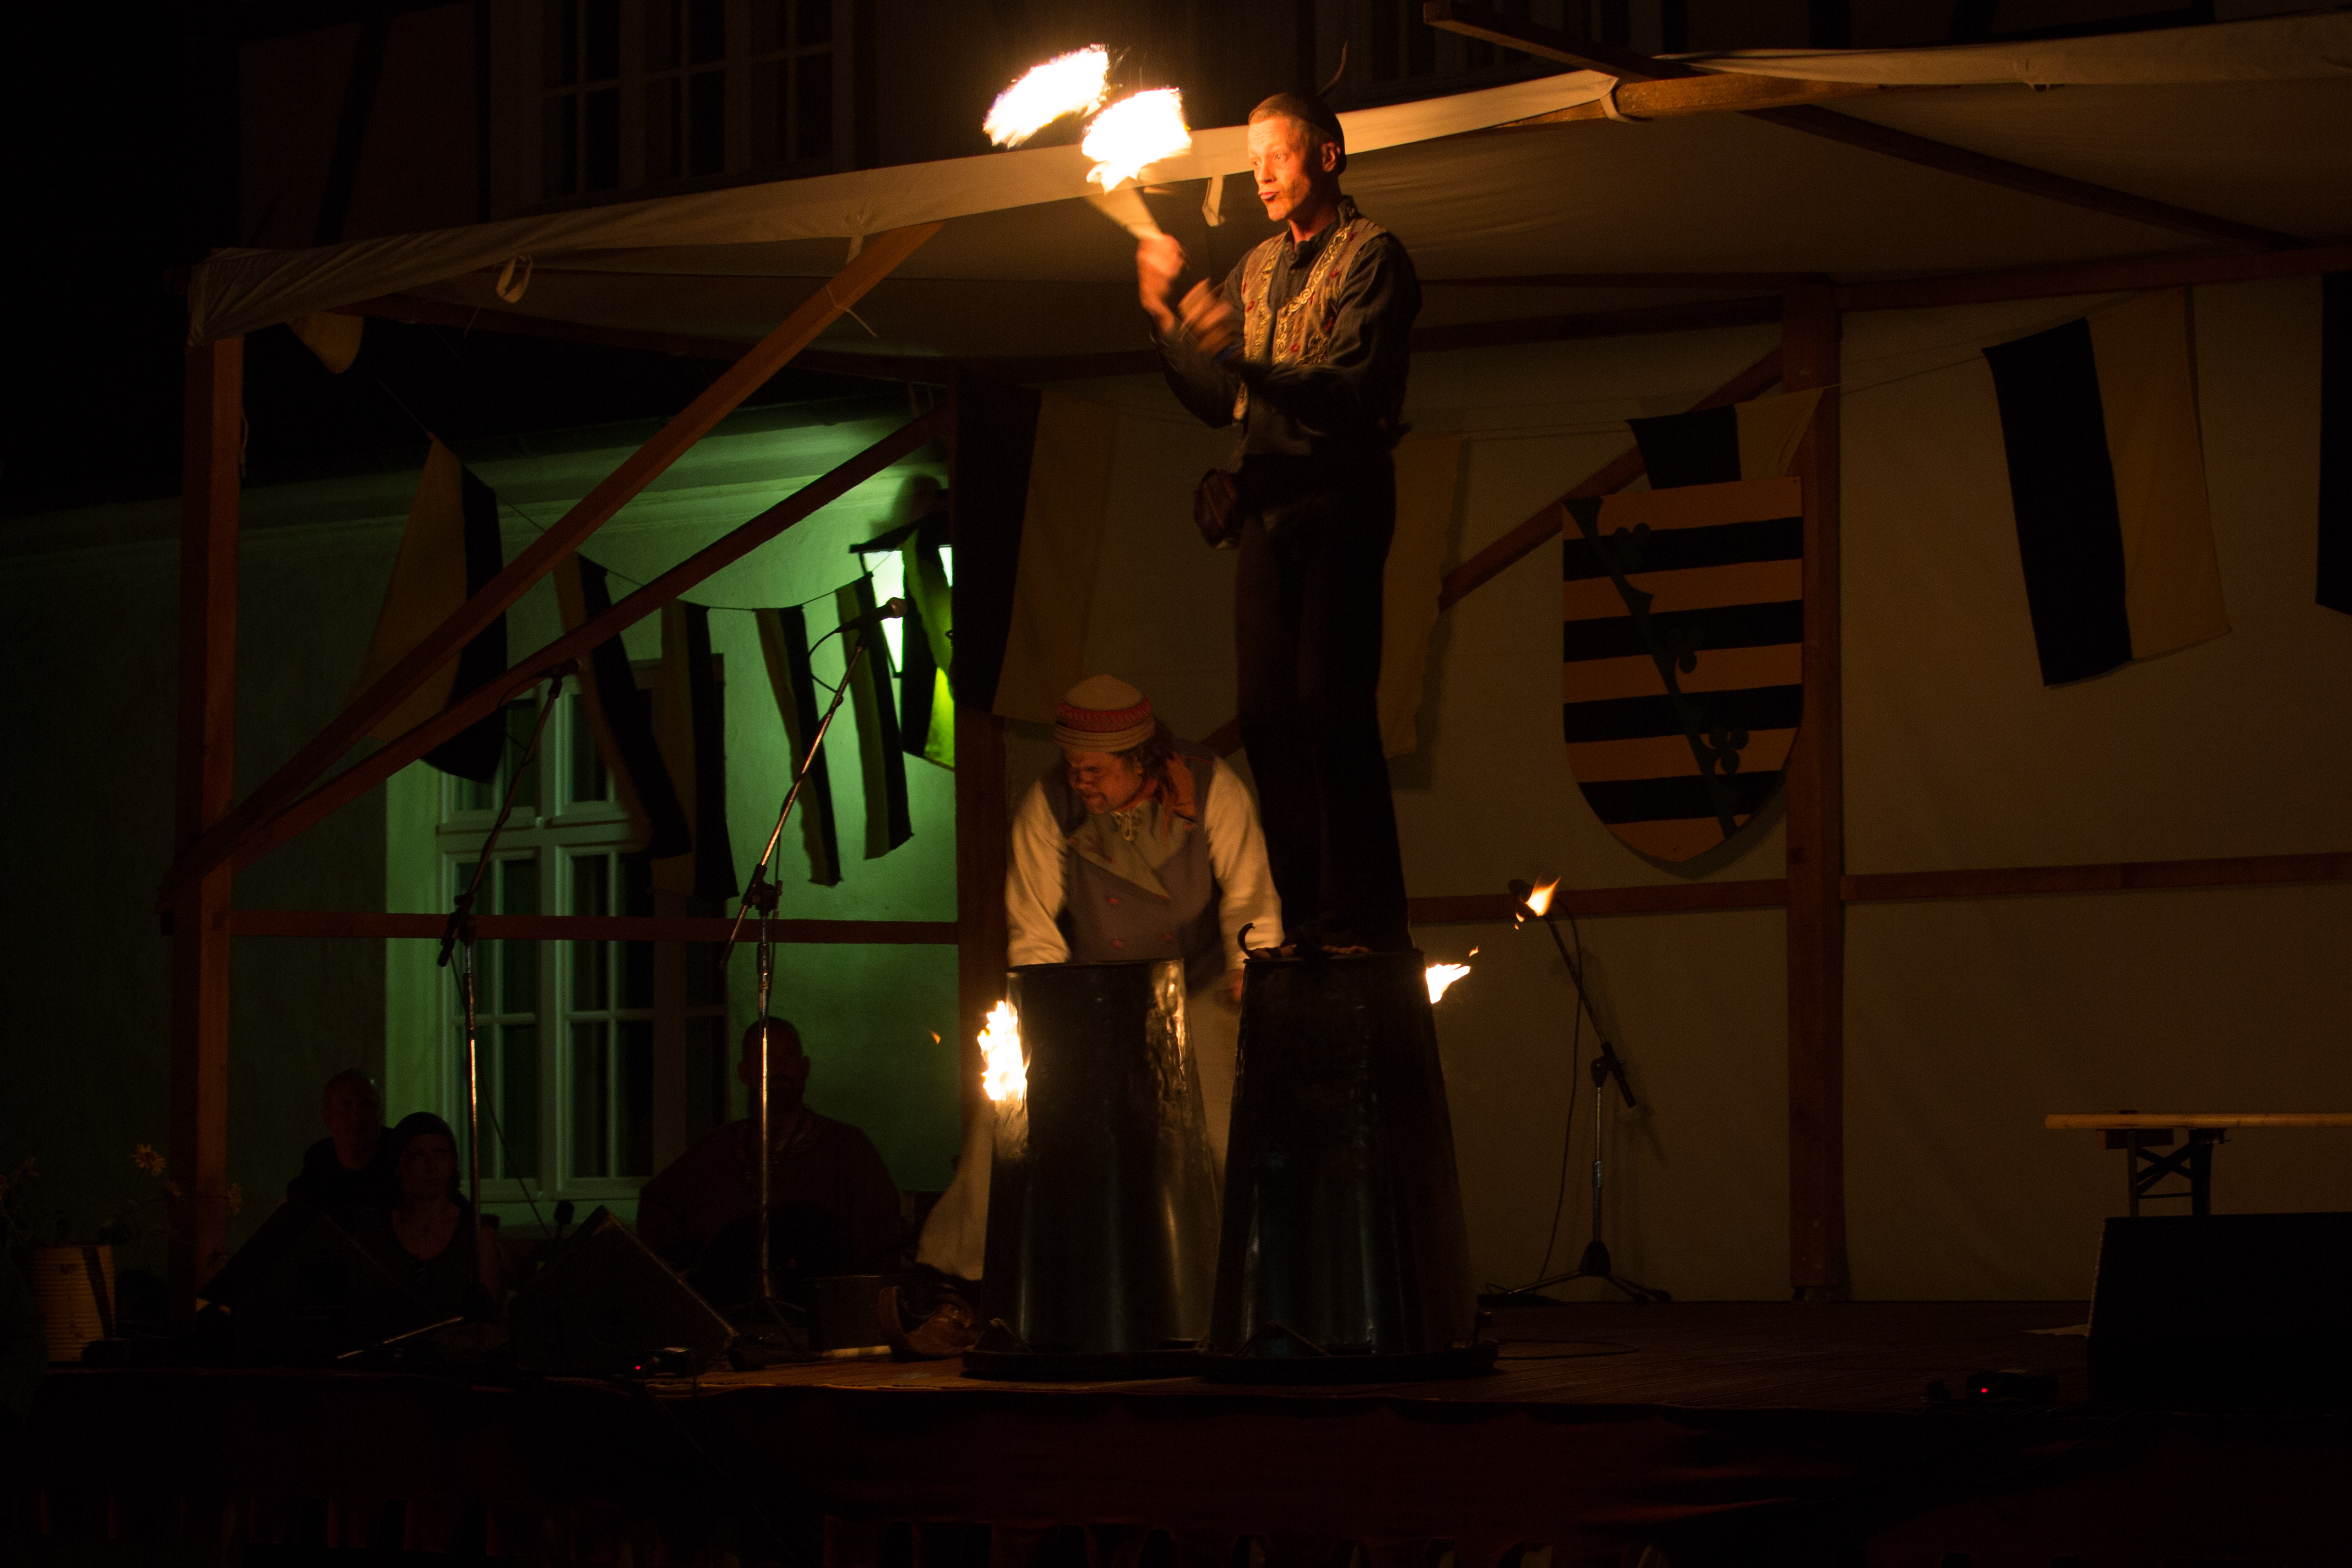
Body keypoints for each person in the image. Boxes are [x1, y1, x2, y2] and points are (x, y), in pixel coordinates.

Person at [1136, 90, 1421, 954]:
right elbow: (1217, 396)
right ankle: (1308, 920)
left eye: (1278, 154)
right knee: (1264, 714)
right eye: (1252, 158)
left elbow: (1344, 392)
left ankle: (1361, 918)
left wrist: (1237, 356)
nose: (1260, 173)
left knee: (1329, 702)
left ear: (1327, 156)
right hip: (1270, 505)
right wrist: (1167, 319)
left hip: (1341, 498)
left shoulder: (1375, 257)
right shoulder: (1256, 267)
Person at [913, 676, 1281, 1286]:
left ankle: (1240, 1281)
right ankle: (963, 1276)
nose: (1080, 780)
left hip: (1198, 984)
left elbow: (1250, 891)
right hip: (1093, 991)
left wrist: (1252, 966)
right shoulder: (1049, 803)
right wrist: (1044, 1006)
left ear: (1140, 760)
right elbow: (1032, 924)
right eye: (1073, 766)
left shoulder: (1212, 785)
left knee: (1223, 1132)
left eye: (1095, 770)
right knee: (1009, 1116)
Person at [635, 1018, 903, 1304]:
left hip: (818, 1314)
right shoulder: (714, 1151)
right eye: (766, 1056)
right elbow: (659, 1207)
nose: (780, 1066)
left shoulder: (848, 1148)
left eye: (788, 1055)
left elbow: (880, 1245)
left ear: (805, 1068)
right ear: (744, 1072)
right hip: (731, 1314)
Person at [352, 1112, 499, 1319]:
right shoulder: (372, 1230)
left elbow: (486, 1321)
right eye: (418, 1155)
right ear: (398, 1165)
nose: (432, 1167)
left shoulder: (477, 1235)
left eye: (441, 1153)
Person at [284, 1068, 399, 1227]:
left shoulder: (406, 1178)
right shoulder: (308, 1189)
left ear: (380, 1113)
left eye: (367, 1104)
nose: (357, 1114)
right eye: (347, 1105)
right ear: (327, 1118)